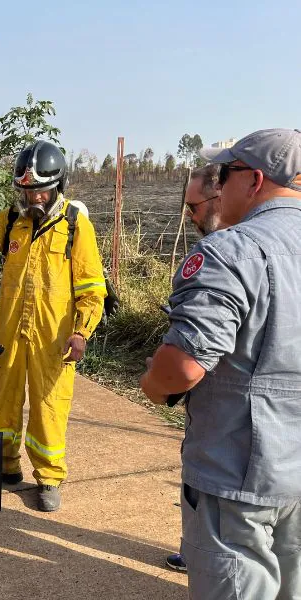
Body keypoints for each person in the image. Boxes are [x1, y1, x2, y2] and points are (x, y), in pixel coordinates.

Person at [141, 128, 301, 599]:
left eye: (224, 175)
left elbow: (183, 367)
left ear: (253, 180)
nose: (217, 187)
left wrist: (154, 382)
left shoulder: (231, 251)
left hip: (238, 476)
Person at [0, 141, 106, 512]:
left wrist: (82, 331)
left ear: (57, 185)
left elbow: (91, 286)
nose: (32, 196)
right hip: (10, 330)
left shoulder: (75, 223)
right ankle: (6, 466)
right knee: (4, 400)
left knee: (49, 406)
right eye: (24, 190)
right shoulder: (11, 220)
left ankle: (49, 477)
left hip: (53, 338)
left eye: (38, 189)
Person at [162, 163, 223, 574]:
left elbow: (184, 367)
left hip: (227, 404)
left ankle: (202, 554)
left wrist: (159, 379)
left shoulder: (223, 255)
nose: (190, 216)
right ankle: (194, 548)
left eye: (195, 206)